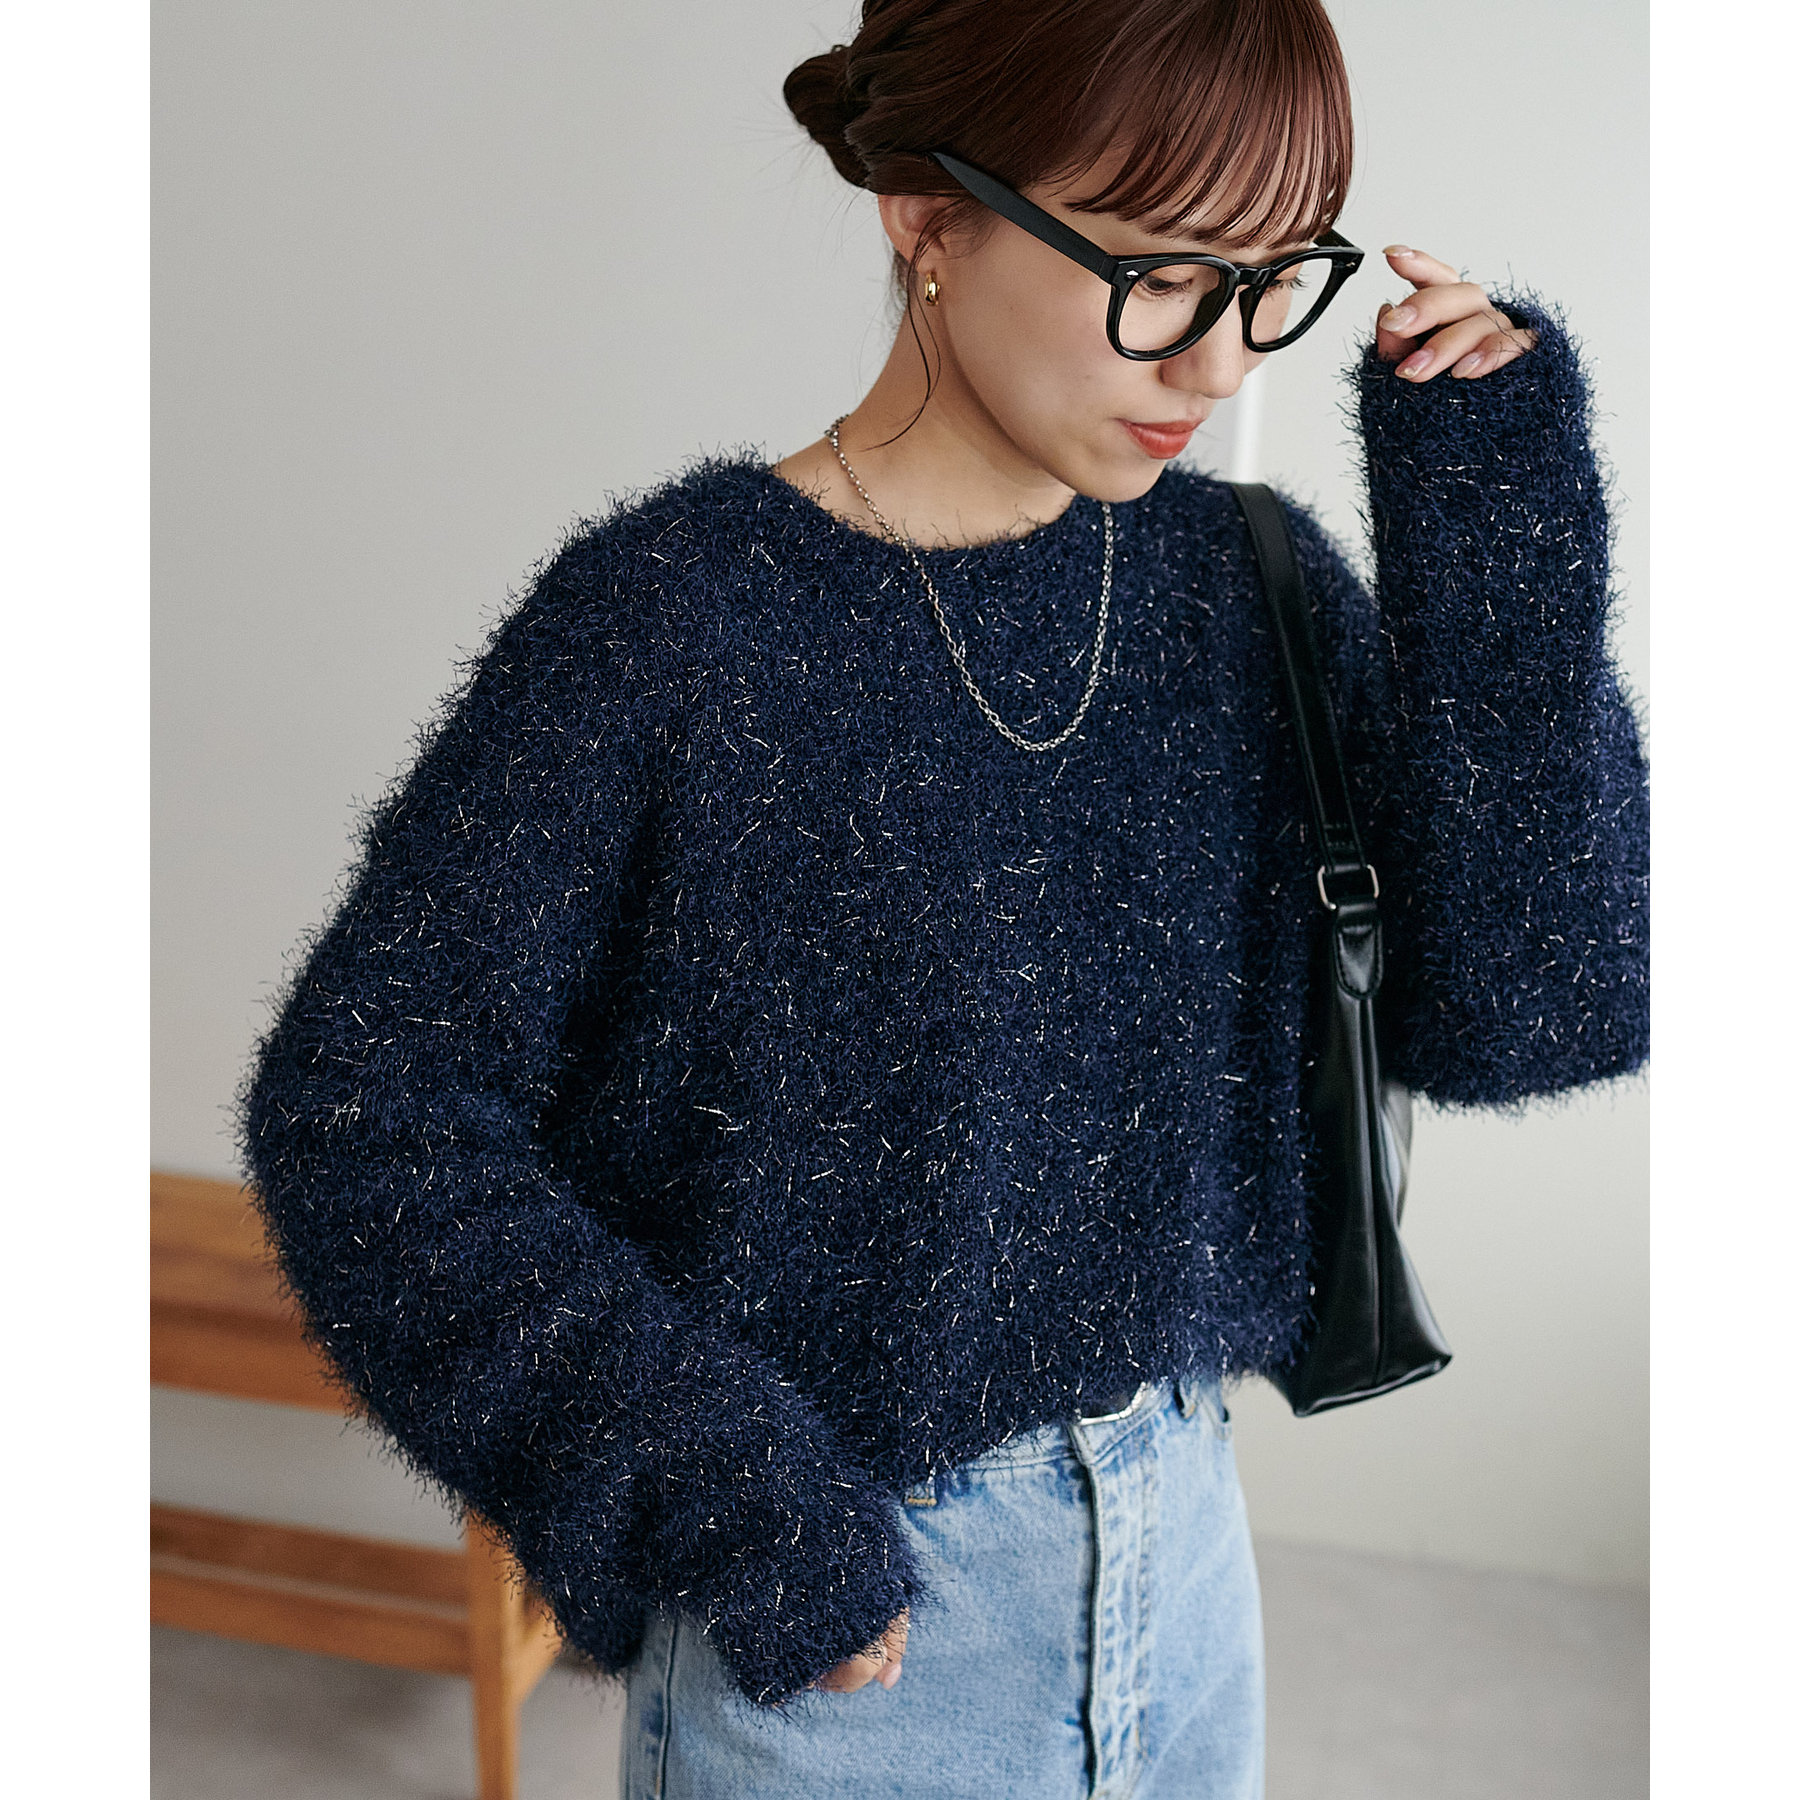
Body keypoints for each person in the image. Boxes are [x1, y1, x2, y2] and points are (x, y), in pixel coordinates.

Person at [235, 2, 1649, 1795]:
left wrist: (1499, 540)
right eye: (1158, 274)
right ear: (927, 213)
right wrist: (726, 1495)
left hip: (1190, 1572)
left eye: (1268, 278)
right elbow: (367, 1112)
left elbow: (1537, 1017)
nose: (1219, 363)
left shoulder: (1248, 583)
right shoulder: (674, 626)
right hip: (852, 1632)